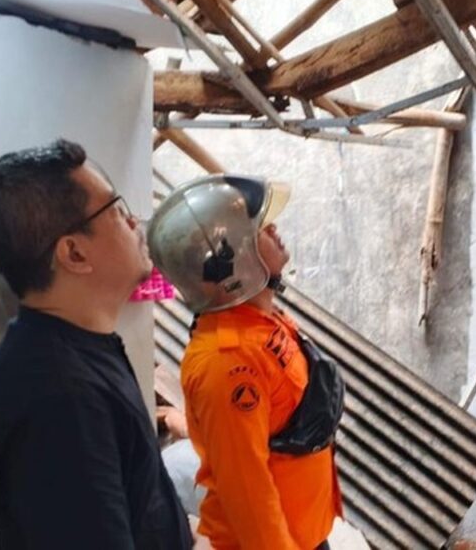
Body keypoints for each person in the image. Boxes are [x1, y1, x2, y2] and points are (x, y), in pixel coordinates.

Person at [0, 139, 193, 550]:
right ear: (75, 253)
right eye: (117, 210)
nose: (134, 222)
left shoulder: (79, 348)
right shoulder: (60, 395)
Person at [148, 175, 345, 550]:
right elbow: (248, 496)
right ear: (229, 262)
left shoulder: (263, 322)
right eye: (260, 229)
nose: (274, 230)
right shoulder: (227, 362)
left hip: (303, 530)